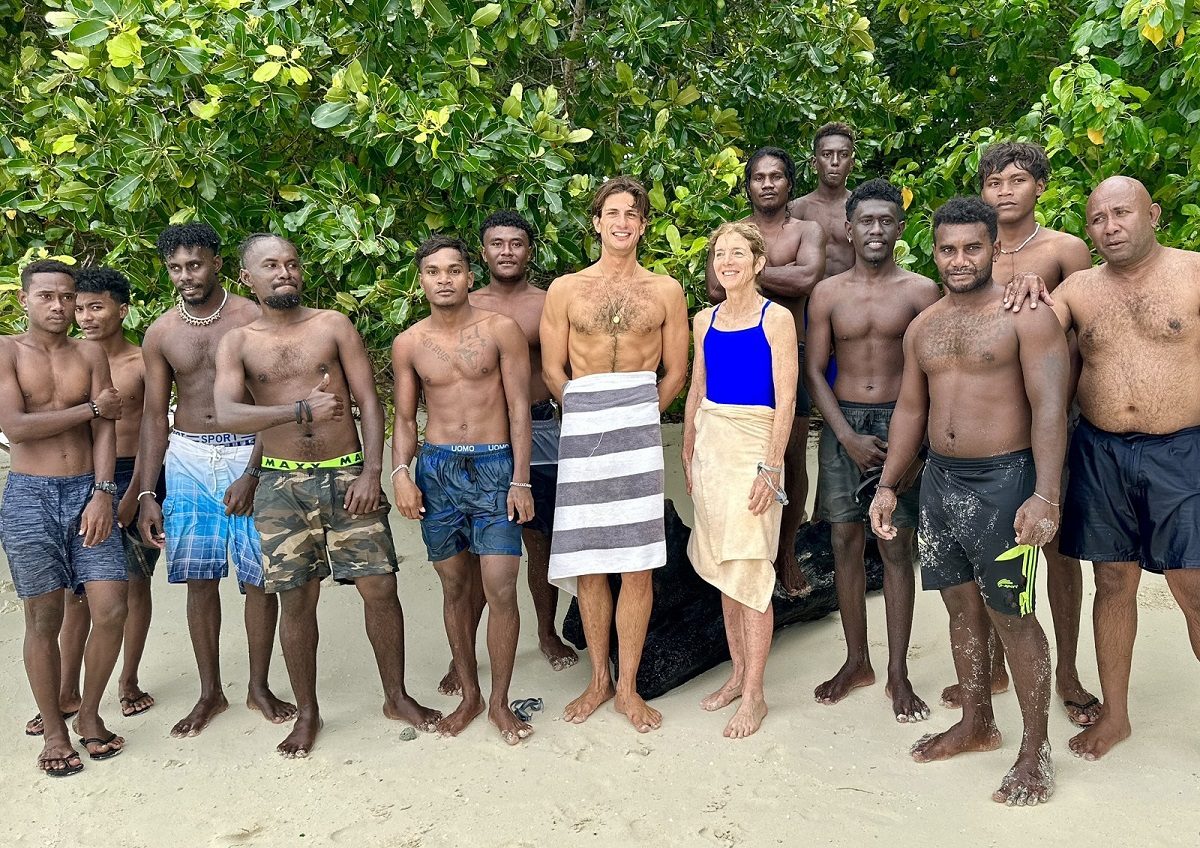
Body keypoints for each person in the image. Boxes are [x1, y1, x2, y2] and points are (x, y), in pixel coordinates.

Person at [870, 197, 1068, 805]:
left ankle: (1034, 751)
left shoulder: (1025, 315)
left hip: (1006, 479)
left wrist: (1044, 493)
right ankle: (978, 719)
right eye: (948, 249)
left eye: (972, 248)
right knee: (959, 607)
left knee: (1013, 614)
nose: (960, 260)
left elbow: (1051, 407)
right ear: (933, 251)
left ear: (993, 249)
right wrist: (888, 483)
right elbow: (910, 410)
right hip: (940, 482)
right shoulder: (923, 326)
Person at [213, 233, 440, 757]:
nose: (285, 272)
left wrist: (372, 471)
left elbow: (368, 399)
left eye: (291, 263)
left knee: (380, 588)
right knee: (296, 599)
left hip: (346, 476)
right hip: (280, 483)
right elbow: (227, 413)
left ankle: (396, 697)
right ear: (247, 278)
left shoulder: (332, 325)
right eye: (271, 265)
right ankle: (309, 713)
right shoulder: (239, 342)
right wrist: (297, 412)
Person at [943, 142, 1100, 728]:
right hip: (990, 433)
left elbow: (1088, 328)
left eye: (1017, 180)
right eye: (993, 182)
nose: (1004, 191)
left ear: (1039, 186)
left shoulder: (1065, 250)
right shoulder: (969, 252)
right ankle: (994, 668)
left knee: (1054, 549)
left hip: (1053, 420)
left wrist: (1060, 411)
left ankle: (1067, 673)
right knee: (983, 550)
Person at [1049, 176, 1200, 761]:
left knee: (1193, 587)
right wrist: (1024, 290)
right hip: (1102, 450)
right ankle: (1115, 715)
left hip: (1182, 450)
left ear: (1153, 213)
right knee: (1113, 583)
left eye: (1122, 214)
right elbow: (1024, 331)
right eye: (1097, 219)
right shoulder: (1080, 289)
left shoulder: (1192, 272)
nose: (1110, 227)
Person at [541, 175, 690, 732]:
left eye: (633, 214)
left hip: (638, 423)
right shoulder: (566, 289)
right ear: (597, 221)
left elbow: (676, 369)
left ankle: (627, 686)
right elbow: (553, 369)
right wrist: (582, 414)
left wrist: (643, 412)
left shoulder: (665, 290)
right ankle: (597, 679)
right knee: (589, 561)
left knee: (637, 562)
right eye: (613, 212)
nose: (623, 222)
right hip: (582, 427)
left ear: (643, 225)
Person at [135, 223, 295, 737]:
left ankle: (259, 686)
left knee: (257, 578)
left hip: (249, 453)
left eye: (196, 264)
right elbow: (154, 416)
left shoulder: (251, 317)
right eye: (176, 268)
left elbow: (271, 405)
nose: (186, 276)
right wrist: (146, 492)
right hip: (186, 458)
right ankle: (210, 693)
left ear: (219, 264)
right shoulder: (161, 332)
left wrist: (253, 472)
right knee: (199, 579)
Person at [392, 235, 536, 745]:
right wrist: (401, 474)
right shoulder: (409, 343)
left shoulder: (501, 331)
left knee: (500, 587)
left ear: (469, 276)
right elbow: (405, 418)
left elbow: (520, 410)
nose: (445, 279)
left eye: (454, 270)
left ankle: (500, 703)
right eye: (434, 271)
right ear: (422, 280)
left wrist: (521, 480)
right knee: (454, 586)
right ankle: (471, 694)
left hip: (496, 468)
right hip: (439, 470)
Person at [805, 179, 940, 721]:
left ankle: (898, 672)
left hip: (899, 423)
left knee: (896, 545)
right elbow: (814, 369)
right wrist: (845, 435)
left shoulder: (921, 291)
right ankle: (856, 659)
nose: (876, 230)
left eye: (886, 221)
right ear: (848, 227)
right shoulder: (827, 293)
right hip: (844, 426)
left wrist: (915, 443)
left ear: (900, 228)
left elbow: (930, 375)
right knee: (843, 539)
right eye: (867, 221)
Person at [437, 211, 577, 699]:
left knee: (540, 537)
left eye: (516, 244)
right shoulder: (465, 304)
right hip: (483, 437)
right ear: (483, 253)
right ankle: (466, 658)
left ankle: (545, 631)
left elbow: (567, 368)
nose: (507, 252)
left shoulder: (547, 303)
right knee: (480, 548)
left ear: (529, 251)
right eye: (497, 243)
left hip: (540, 426)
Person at [0, 260, 128, 776]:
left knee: (111, 607)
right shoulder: (7, 351)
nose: (59, 307)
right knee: (43, 618)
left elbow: (107, 433)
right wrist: (93, 409)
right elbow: (16, 427)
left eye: (67, 297)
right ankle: (54, 730)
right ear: (25, 300)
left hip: (87, 491)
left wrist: (102, 493)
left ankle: (90, 714)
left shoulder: (91, 353)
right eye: (47, 296)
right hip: (29, 494)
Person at [683, 221, 797, 738]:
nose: (726, 261)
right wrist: (687, 448)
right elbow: (696, 388)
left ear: (758, 262)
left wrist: (772, 466)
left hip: (753, 447)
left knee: (750, 571)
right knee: (724, 565)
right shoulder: (702, 318)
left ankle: (755, 694)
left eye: (737, 253)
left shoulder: (777, 319)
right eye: (719, 254)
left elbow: (787, 398)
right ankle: (737, 675)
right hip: (711, 447)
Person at [706, 148, 825, 597]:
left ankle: (786, 550)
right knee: (740, 458)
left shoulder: (806, 230)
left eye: (777, 176)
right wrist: (773, 270)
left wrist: (749, 269)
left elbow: (807, 280)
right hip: (740, 350)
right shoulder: (732, 234)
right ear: (749, 185)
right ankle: (744, 548)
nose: (768, 184)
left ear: (789, 183)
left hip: (788, 348)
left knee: (790, 456)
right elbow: (715, 287)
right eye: (759, 177)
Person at [789, 122, 858, 279]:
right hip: (806, 298)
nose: (835, 162)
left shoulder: (860, 208)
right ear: (814, 163)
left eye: (843, 155)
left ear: (851, 164)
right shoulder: (797, 209)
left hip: (851, 298)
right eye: (827, 154)